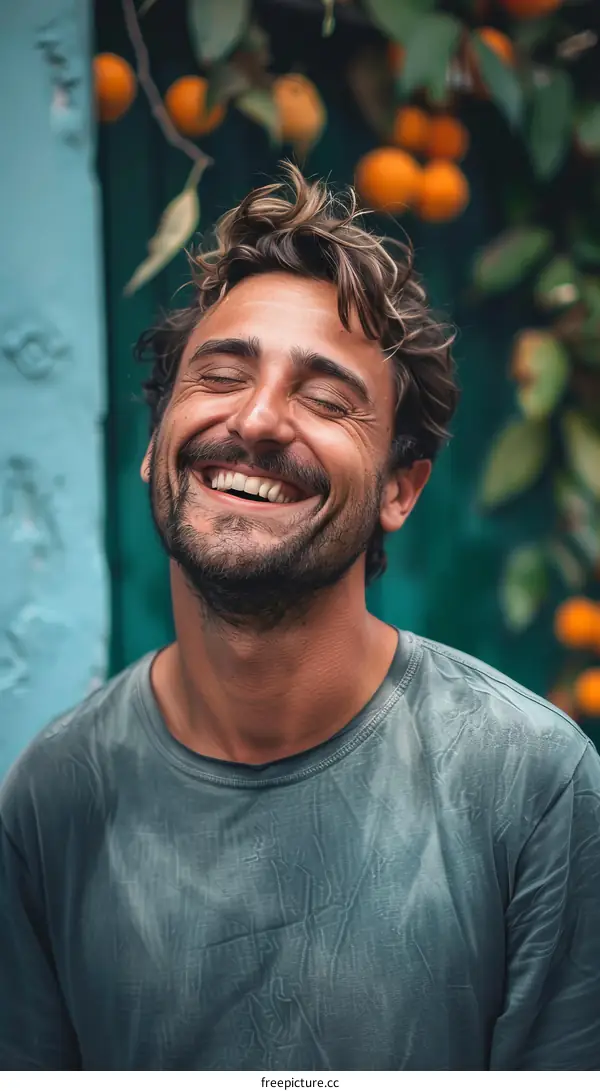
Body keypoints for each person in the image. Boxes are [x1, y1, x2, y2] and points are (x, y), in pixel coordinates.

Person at [1, 165, 599, 1073]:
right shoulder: (53, 797)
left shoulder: (534, 783)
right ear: (157, 441)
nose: (258, 418)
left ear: (401, 488)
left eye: (325, 399)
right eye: (221, 374)